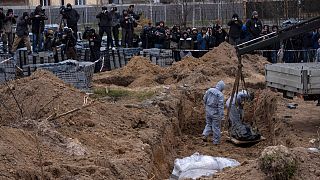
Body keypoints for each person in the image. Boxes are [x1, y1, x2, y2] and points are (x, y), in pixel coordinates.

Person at [202, 80, 225, 145]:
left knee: (208, 123)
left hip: (208, 109)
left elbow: (204, 98)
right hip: (215, 112)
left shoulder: (209, 90)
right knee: (216, 127)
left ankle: (205, 135)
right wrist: (222, 116)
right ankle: (216, 141)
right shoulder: (220, 95)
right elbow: (220, 107)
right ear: (222, 88)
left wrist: (206, 106)